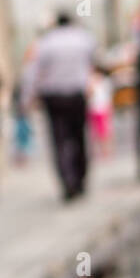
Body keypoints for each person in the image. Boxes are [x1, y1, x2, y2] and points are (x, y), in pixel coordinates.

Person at [29, 13, 95, 200]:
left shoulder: (46, 42)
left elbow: (35, 71)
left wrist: (30, 96)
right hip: (77, 95)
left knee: (59, 141)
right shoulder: (83, 38)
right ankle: (81, 179)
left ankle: (67, 182)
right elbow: (92, 63)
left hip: (54, 97)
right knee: (79, 138)